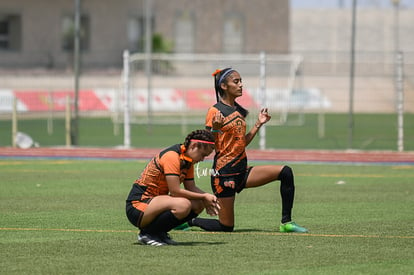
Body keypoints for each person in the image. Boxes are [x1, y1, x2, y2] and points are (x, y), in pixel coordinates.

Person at [179, 68, 308, 233]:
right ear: (224, 86)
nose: (241, 85)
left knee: (285, 172)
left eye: (241, 81)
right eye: (236, 81)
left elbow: (241, 143)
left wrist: (258, 124)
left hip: (242, 171)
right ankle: (190, 221)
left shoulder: (237, 111)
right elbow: (208, 146)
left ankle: (286, 223)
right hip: (224, 174)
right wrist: (215, 130)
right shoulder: (215, 111)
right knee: (226, 227)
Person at [125, 129, 220, 246]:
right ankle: (147, 234)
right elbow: (175, 191)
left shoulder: (187, 160)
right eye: (203, 155)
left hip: (157, 202)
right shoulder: (172, 156)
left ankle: (160, 233)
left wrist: (208, 199)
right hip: (138, 205)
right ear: (194, 145)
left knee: (198, 203)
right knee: (183, 205)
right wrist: (204, 196)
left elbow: (191, 187)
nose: (202, 159)